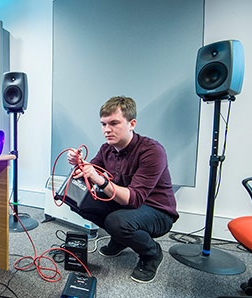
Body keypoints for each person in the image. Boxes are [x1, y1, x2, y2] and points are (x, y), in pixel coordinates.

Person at [66, 96, 178, 283]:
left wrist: (99, 179)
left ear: (132, 124)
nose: (107, 130)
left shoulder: (152, 151)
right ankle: (120, 239)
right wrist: (79, 165)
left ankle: (152, 253)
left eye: (114, 123)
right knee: (79, 201)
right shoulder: (106, 149)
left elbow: (133, 199)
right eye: (103, 124)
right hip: (125, 206)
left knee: (116, 221)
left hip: (158, 212)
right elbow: (90, 175)